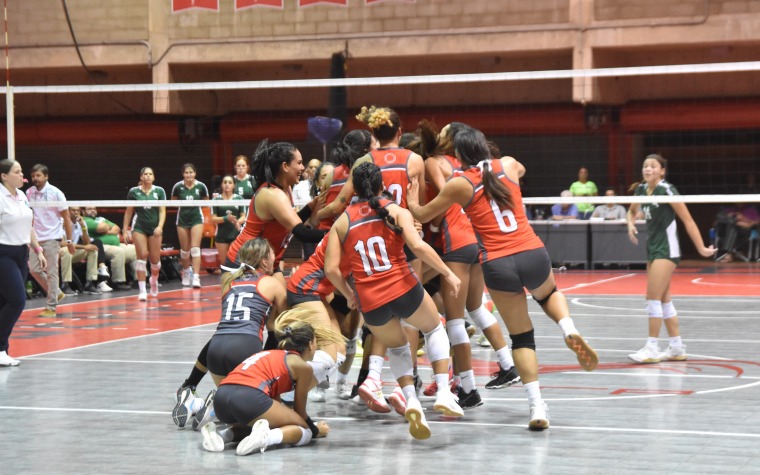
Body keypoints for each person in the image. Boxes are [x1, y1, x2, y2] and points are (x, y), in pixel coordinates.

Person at [408, 127, 599, 430]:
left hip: (497, 264)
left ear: (458, 156)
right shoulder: (508, 165)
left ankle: (537, 407)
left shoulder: (459, 184)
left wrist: (412, 191)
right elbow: (519, 168)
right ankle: (568, 328)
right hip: (531, 251)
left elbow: (425, 212)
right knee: (549, 295)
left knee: (523, 338)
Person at [325, 162, 464, 440]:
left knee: (398, 347)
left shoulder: (342, 221)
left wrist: (350, 294)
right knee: (435, 327)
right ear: (380, 185)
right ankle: (445, 392)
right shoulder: (395, 210)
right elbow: (419, 246)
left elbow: (331, 269)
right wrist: (448, 273)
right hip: (401, 288)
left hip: (370, 302)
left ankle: (411, 401)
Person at [173, 238, 287, 430]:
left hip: (215, 351)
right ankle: (213, 407)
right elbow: (280, 329)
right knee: (265, 413)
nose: (275, 258)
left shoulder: (230, 283)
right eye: (272, 254)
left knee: (236, 403)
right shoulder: (272, 283)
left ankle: (197, 403)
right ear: (265, 261)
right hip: (245, 349)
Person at [200, 307, 344, 455]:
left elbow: (274, 405)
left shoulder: (270, 354)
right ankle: (265, 438)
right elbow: (300, 412)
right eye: (315, 342)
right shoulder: (303, 368)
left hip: (221, 399)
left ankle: (221, 436)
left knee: (261, 422)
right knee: (304, 431)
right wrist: (316, 430)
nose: (316, 347)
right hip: (248, 397)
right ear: (309, 345)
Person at [626, 154, 715, 363]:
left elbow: (688, 220)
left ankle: (652, 348)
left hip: (667, 250)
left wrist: (701, 248)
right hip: (653, 248)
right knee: (664, 300)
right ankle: (676, 347)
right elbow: (631, 212)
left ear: (662, 171)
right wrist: (630, 223)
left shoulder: (667, 190)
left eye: (653, 166)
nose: (648, 169)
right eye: (645, 166)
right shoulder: (640, 190)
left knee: (652, 297)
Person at [1, 159, 48, 366]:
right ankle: (0, 348)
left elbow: (28, 225)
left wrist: (38, 250)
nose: (22, 175)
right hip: (3, 253)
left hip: (22, 253)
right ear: (4, 176)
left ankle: (2, 351)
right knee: (18, 300)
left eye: (21, 172)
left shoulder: (21, 196)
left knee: (3, 302)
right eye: (17, 172)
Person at [26, 164, 76, 318]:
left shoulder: (56, 193)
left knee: (52, 272)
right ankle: (57, 292)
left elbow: (66, 218)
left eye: (38, 175)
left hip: (52, 238)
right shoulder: (29, 193)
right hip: (36, 239)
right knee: (33, 269)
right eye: (33, 176)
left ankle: (51, 307)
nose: (35, 178)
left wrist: (69, 240)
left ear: (46, 176)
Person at [123, 167, 166, 301]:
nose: (148, 176)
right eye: (145, 174)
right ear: (141, 177)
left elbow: (162, 211)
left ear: (153, 177)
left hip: (154, 229)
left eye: (150, 174)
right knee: (141, 257)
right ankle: (142, 290)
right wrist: (125, 229)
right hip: (139, 228)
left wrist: (159, 226)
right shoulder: (134, 192)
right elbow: (129, 211)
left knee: (155, 261)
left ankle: (153, 279)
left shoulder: (159, 191)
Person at [171, 163, 209, 289]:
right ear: (183, 174)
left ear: (195, 173)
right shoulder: (177, 186)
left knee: (195, 248)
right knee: (185, 250)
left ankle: (196, 276)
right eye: (186, 172)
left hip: (196, 218)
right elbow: (172, 202)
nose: (189, 175)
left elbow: (206, 201)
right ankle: (186, 272)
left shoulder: (201, 186)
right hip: (182, 219)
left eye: (191, 172)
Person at [82, 206, 136, 291]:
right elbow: (101, 227)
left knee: (134, 249)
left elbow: (117, 228)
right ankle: (118, 282)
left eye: (94, 209)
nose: (92, 211)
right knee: (118, 252)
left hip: (115, 244)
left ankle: (137, 280)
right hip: (100, 246)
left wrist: (105, 231)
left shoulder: (101, 218)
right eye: (89, 209)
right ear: (83, 211)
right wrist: (108, 227)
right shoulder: (85, 220)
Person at [59, 206, 110, 294]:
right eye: (73, 210)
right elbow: (62, 244)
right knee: (66, 251)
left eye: (77, 210)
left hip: (73, 251)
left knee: (92, 250)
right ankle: (65, 285)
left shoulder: (81, 222)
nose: (75, 212)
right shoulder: (61, 221)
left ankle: (89, 284)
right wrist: (83, 247)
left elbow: (87, 243)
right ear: (68, 211)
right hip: (59, 252)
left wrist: (83, 226)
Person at [210, 175, 245, 265]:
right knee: (224, 263)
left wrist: (237, 222)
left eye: (230, 182)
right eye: (225, 182)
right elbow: (213, 219)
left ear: (234, 185)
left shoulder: (239, 199)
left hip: (235, 234)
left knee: (236, 262)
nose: (227, 184)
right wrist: (226, 218)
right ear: (221, 185)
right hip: (221, 235)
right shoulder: (215, 200)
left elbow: (243, 217)